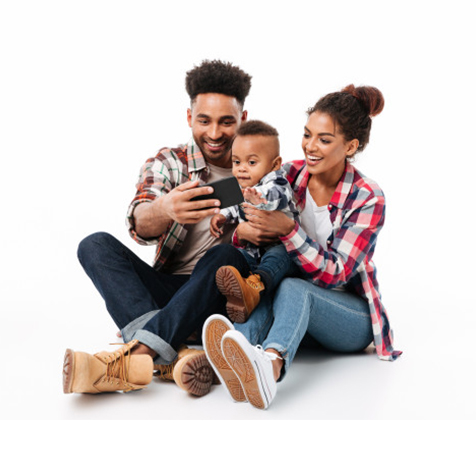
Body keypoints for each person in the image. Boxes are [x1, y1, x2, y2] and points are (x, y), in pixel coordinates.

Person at [202, 84, 402, 410]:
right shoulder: (289, 173)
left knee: (292, 286)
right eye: (307, 135)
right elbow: (237, 199)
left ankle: (270, 367)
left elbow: (335, 274)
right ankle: (231, 358)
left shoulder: (367, 196)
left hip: (348, 318)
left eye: (324, 139)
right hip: (293, 313)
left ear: (350, 146)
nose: (310, 146)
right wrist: (238, 227)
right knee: (262, 288)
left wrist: (288, 229)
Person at [63, 60, 255, 397]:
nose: (214, 133)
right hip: (168, 296)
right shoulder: (169, 162)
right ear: (189, 117)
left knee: (225, 255)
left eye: (226, 122)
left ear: (243, 119)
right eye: (204, 121)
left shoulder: (261, 166)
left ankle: (135, 357)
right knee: (94, 245)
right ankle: (174, 355)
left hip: (222, 298)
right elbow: (139, 221)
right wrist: (165, 209)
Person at [209, 120, 299, 323]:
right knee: (233, 256)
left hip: (283, 253)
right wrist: (222, 216)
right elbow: (235, 207)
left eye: (251, 163)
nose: (242, 169)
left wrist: (260, 198)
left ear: (274, 164)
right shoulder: (242, 186)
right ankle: (235, 291)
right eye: (236, 162)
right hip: (254, 254)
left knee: (279, 254)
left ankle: (255, 286)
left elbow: (278, 196)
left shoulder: (277, 182)